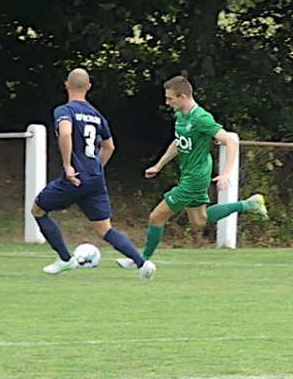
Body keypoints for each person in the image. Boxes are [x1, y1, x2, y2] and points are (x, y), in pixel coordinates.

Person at [116, 75, 268, 268]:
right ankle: (249, 204)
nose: (167, 102)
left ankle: (141, 260)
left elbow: (230, 140)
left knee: (156, 216)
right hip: (189, 175)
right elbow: (178, 142)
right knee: (199, 221)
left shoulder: (201, 118)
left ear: (184, 96)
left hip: (195, 178)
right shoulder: (181, 116)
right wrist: (159, 165)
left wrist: (226, 173)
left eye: (170, 98)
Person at [32, 68, 156, 279]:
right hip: (95, 179)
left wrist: (68, 165)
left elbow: (65, 133)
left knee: (38, 210)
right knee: (105, 229)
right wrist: (97, 168)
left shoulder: (64, 110)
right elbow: (109, 146)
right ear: (88, 87)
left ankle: (65, 259)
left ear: (66, 85)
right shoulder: (97, 116)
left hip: (74, 178)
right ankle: (142, 263)